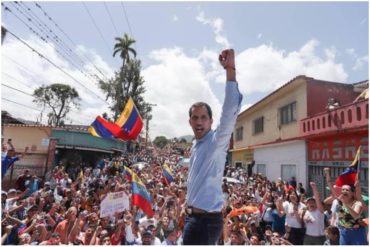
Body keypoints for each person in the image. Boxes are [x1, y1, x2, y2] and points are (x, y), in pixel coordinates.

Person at [182, 48, 242, 245]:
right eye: (195, 117)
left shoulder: (216, 142)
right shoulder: (196, 145)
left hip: (205, 221)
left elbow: (230, 109)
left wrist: (230, 70)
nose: (199, 122)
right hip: (195, 217)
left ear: (210, 121)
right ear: (190, 122)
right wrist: (188, 203)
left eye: (203, 117)